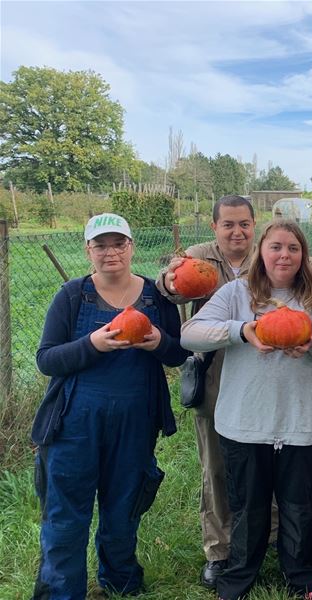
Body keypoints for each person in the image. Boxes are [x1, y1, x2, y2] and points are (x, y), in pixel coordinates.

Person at [181, 219, 312, 600]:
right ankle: (239, 578)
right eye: (276, 246)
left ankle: (305, 577)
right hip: (245, 421)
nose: (284, 255)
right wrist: (241, 331)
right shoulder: (234, 293)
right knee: (248, 507)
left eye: (293, 248)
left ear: (304, 254)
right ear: (262, 250)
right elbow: (189, 333)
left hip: (302, 420)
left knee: (299, 506)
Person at [32, 213, 189, 599]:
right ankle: (61, 592)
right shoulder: (72, 295)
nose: (110, 252)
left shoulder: (156, 296)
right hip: (74, 425)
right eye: (100, 245)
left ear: (131, 247)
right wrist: (93, 345)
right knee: (66, 517)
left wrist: (157, 343)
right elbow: (46, 359)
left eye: (118, 243)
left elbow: (179, 353)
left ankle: (120, 582)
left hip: (135, 424)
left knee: (123, 510)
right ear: (88, 250)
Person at [156, 194, 257, 589]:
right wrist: (168, 280)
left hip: (259, 369)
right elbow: (169, 287)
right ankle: (219, 549)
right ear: (215, 227)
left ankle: (265, 536)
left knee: (260, 458)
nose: (237, 231)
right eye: (228, 224)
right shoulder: (198, 257)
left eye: (244, 224)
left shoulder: (265, 257)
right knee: (216, 465)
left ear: (254, 225)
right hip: (214, 371)